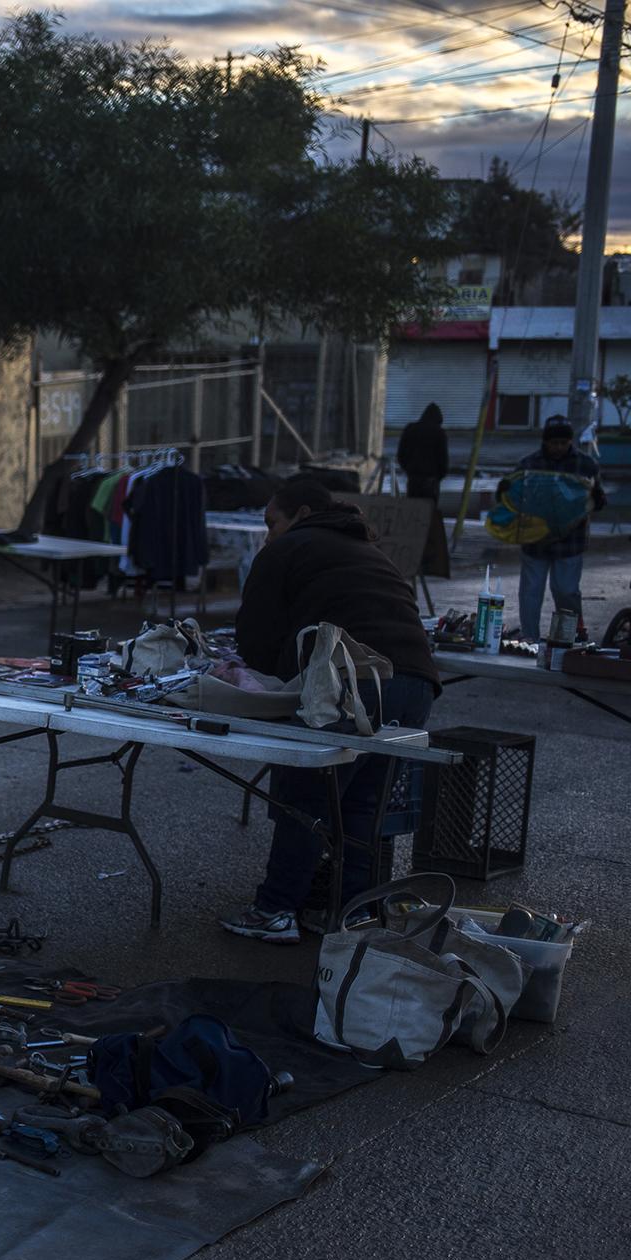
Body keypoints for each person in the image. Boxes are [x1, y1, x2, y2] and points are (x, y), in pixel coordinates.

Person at [221, 475, 440, 944]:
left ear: (299, 516)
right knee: (361, 803)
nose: (268, 534)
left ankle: (275, 910)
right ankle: (351, 915)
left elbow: (255, 642)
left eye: (272, 522)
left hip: (351, 684)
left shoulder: (285, 550)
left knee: (306, 800)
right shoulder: (369, 550)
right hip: (415, 684)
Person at [514, 417, 606, 641]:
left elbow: (599, 500)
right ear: (545, 442)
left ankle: (569, 639)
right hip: (535, 542)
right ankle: (530, 641)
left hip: (569, 543)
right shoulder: (528, 465)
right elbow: (513, 497)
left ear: (570, 442)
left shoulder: (585, 465)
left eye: (563, 443)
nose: (558, 447)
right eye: (553, 443)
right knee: (530, 594)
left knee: (566, 591)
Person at [395, 403, 448, 509]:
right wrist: (438, 477)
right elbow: (443, 459)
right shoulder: (439, 433)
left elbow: (401, 455)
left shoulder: (410, 429)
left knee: (413, 511)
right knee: (429, 513)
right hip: (431, 481)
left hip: (413, 479)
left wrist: (409, 470)